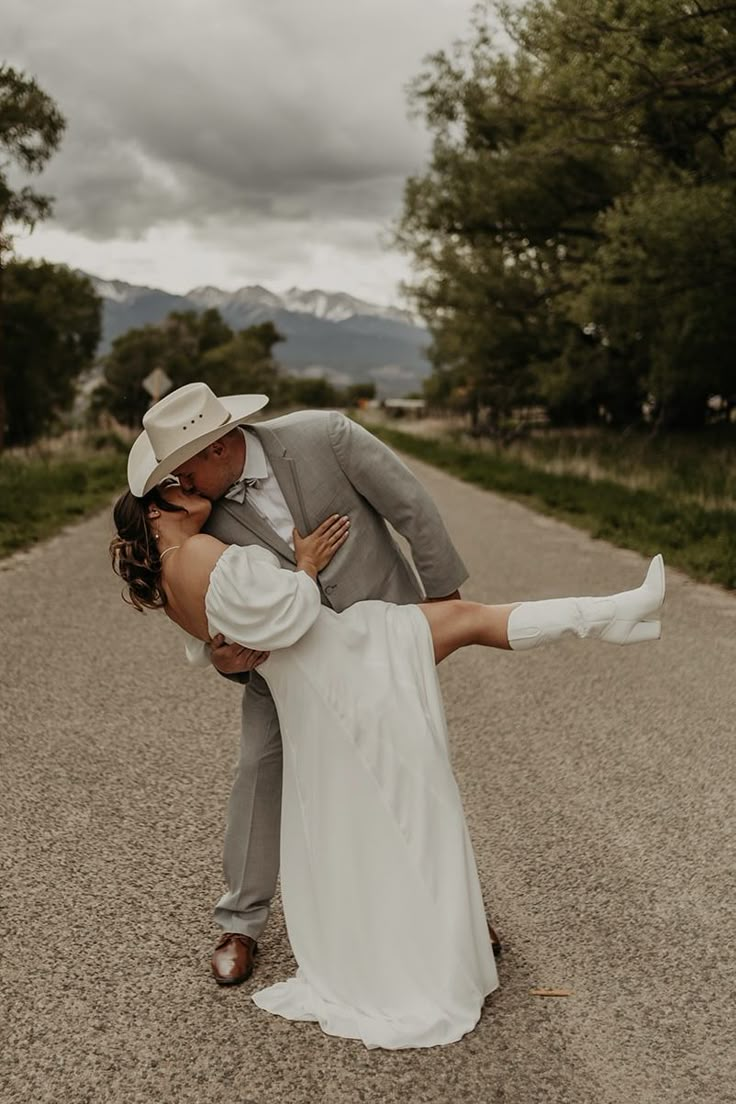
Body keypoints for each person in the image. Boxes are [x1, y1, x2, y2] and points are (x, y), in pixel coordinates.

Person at [112, 505, 665, 1052]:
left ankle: (614, 614)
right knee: (450, 674)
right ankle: (614, 614)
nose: (187, 493)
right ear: (156, 515)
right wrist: (305, 566)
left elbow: (218, 648)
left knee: (466, 627)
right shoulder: (202, 552)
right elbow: (287, 614)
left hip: (318, 672)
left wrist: (227, 652)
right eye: (171, 493)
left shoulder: (168, 580)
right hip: (340, 660)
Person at [125, 382, 489, 987]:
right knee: (258, 771)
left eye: (181, 472)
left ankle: (459, 917)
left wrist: (443, 608)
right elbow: (202, 604)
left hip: (383, 639)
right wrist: (222, 660)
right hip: (284, 667)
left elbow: (412, 509)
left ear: (218, 448)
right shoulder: (198, 515)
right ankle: (240, 923)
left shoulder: (326, 436)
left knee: (414, 769)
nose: (178, 488)